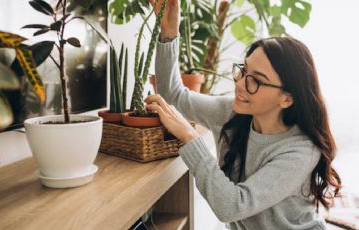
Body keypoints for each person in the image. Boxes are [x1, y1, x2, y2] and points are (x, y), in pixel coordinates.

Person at [144, 0, 342, 229]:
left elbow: (231, 206)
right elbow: (174, 97)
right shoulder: (232, 114)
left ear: (286, 98)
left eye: (256, 81)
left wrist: (190, 137)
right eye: (243, 70)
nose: (240, 84)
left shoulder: (301, 151)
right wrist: (169, 34)